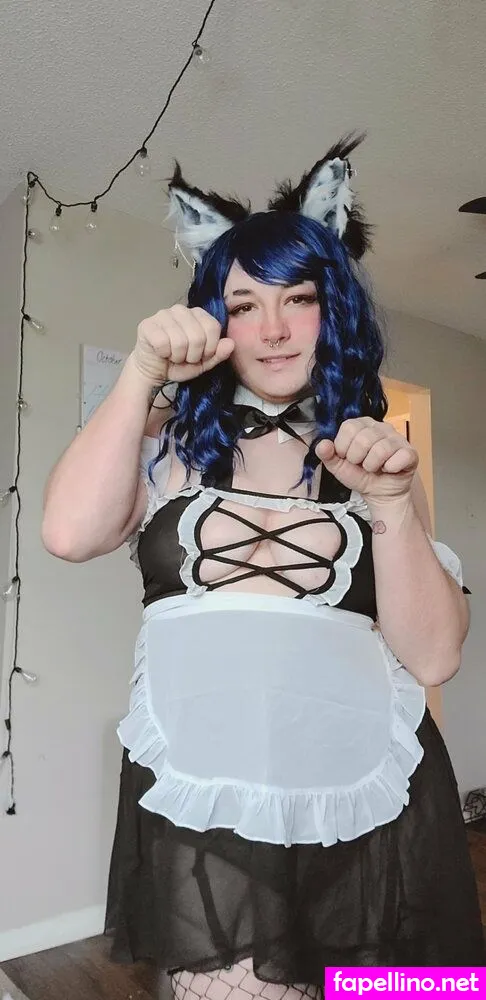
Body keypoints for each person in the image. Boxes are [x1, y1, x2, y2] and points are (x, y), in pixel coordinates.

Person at [42, 135, 485, 996]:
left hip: (372, 802)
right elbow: (67, 533)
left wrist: (394, 506)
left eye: (299, 298)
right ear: (214, 317)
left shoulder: (377, 457)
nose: (274, 329)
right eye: (244, 304)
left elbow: (434, 656)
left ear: (334, 307)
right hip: (215, 802)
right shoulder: (165, 442)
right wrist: (140, 377)